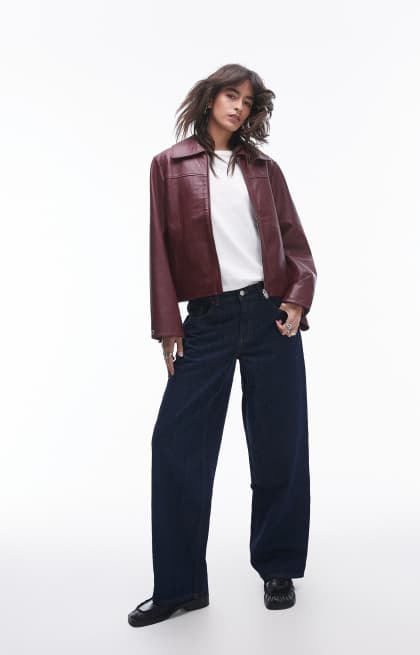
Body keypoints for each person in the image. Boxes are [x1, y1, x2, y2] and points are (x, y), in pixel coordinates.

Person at [128, 63, 317, 628]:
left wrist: (296, 299)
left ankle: (278, 567)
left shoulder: (264, 169)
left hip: (269, 317)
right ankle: (180, 587)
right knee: (176, 449)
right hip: (206, 322)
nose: (238, 107)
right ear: (210, 98)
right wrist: (169, 326)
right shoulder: (169, 166)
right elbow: (159, 251)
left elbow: (295, 243)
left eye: (248, 101)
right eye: (231, 95)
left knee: (280, 446)